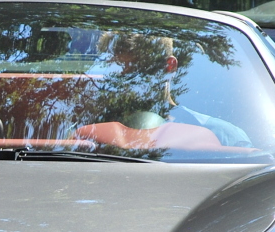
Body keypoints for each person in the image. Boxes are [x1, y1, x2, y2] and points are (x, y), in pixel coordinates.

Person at [94, 33, 253, 148]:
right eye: (115, 72)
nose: (125, 83)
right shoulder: (90, 130)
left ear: (169, 67)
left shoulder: (223, 137)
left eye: (137, 71)